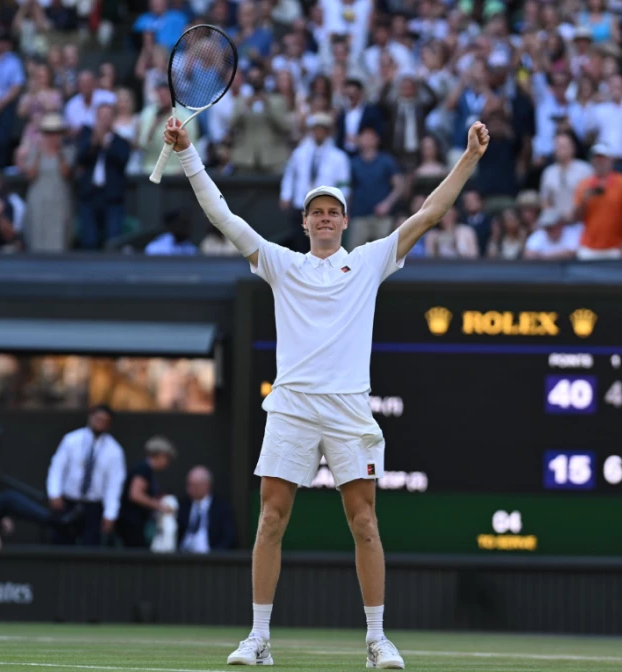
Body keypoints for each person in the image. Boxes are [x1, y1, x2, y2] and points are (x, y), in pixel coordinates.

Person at [162, 114, 490, 669]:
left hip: (347, 409)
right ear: (306, 221)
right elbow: (222, 215)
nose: (325, 219)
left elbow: (431, 212)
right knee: (271, 519)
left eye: (333, 212)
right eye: (317, 211)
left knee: (365, 523)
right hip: (291, 405)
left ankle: (376, 640)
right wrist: (189, 153)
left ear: (344, 221)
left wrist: (470, 158)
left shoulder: (367, 262)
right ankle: (259, 639)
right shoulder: (281, 264)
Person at [45, 405, 126, 546]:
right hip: (67, 502)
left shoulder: (114, 450)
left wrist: (110, 513)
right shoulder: (71, 440)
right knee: (61, 542)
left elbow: (114, 485)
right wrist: (54, 493)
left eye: (104, 420)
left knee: (90, 546)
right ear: (90, 417)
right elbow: (57, 468)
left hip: (93, 506)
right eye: (98, 418)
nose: (100, 423)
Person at [117, 435, 177, 548]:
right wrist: (160, 506)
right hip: (131, 523)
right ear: (160, 454)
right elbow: (135, 495)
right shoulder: (143, 468)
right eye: (167, 458)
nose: (167, 463)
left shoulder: (147, 470)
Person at [177, 465, 237, 553]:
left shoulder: (221, 508)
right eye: (188, 484)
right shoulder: (183, 505)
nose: (189, 489)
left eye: (193, 485)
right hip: (182, 557)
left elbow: (230, 538)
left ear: (206, 485)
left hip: (210, 559)